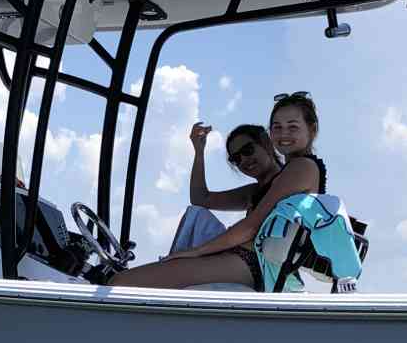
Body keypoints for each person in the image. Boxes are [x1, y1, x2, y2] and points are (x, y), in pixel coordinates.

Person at [109, 94, 326, 290]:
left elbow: (251, 227)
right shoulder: (261, 188)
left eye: (292, 126)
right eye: (277, 127)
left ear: (312, 129)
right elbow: (201, 199)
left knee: (120, 282)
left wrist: (196, 252)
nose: (283, 133)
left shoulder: (302, 167)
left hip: (253, 263)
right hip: (246, 260)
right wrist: (199, 151)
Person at [165, 122, 281, 253]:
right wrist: (199, 151)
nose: (243, 160)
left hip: (263, 263)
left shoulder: (292, 179)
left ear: (266, 143)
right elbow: (200, 199)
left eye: (248, 150)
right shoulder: (253, 193)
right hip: (242, 257)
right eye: (236, 159)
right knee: (196, 215)